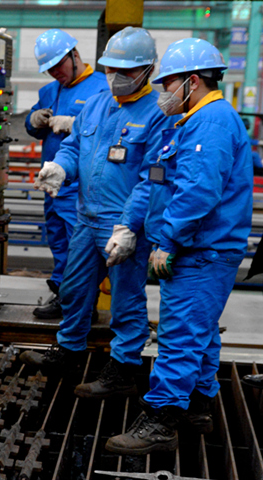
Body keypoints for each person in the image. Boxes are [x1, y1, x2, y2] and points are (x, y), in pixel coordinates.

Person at [106, 38, 253, 455]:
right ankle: (197, 404)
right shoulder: (189, 121)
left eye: (167, 83)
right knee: (201, 331)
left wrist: (167, 240)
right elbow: (156, 180)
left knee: (180, 333)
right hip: (201, 249)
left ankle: (161, 420)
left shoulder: (212, 123)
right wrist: (131, 223)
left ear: (192, 81)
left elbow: (198, 193)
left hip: (201, 251)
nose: (160, 92)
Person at [20, 27, 176, 397]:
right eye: (111, 69)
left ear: (147, 71)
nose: (116, 78)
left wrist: (129, 226)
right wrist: (60, 167)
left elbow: (151, 177)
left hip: (121, 224)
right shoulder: (96, 104)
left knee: (126, 298)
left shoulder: (158, 114)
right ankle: (69, 353)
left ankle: (123, 367)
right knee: (74, 290)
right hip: (86, 218)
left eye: (126, 71)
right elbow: (74, 147)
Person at [25, 29, 109, 320]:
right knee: (59, 241)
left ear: (75, 56)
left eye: (58, 66)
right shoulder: (50, 91)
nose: (54, 73)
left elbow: (110, 131)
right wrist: (33, 119)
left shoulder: (102, 88)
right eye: (48, 69)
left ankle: (82, 305)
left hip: (81, 186)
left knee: (81, 248)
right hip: (52, 184)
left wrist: (76, 124)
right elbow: (32, 125)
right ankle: (63, 295)